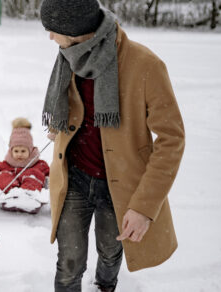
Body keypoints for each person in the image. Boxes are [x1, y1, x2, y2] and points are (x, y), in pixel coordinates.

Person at [39, 0, 185, 291]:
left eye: (54, 30)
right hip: (75, 177)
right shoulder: (70, 56)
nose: (50, 38)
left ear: (76, 29)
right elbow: (74, 107)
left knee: (110, 252)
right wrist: (61, 128)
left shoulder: (145, 65)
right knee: (69, 262)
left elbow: (172, 140)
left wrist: (144, 208)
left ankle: (105, 286)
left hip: (120, 185)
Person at [0, 117, 50, 194]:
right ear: (11, 151)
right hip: (10, 193)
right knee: (3, 174)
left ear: (30, 151)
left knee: (34, 174)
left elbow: (52, 173)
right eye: (16, 151)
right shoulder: (6, 164)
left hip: (30, 194)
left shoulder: (39, 164)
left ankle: (26, 194)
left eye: (23, 151)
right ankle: (13, 194)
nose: (19, 154)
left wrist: (49, 179)